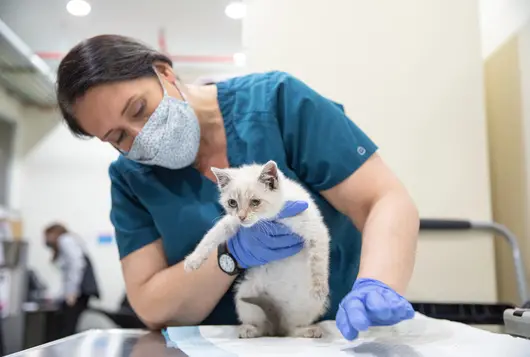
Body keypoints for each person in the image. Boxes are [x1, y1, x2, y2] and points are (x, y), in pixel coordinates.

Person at [55, 34, 420, 340]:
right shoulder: (131, 178)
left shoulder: (279, 104)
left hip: (331, 336)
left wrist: (377, 284)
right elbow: (150, 305)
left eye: (139, 109)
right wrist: (229, 256)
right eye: (118, 136)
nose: (141, 136)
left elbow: (381, 199)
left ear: (164, 73)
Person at [44, 223, 100, 337]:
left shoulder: (65, 240)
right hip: (79, 291)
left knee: (67, 327)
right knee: (67, 325)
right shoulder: (68, 241)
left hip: (79, 291)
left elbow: (76, 266)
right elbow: (66, 274)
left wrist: (71, 292)